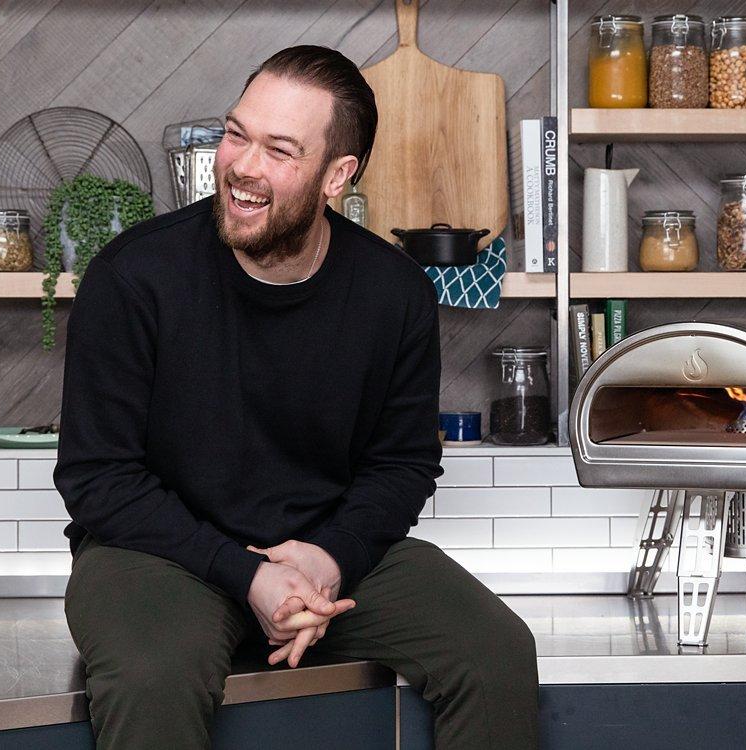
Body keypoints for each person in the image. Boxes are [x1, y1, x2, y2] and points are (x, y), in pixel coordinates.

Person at [57, 45, 539, 749]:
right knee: (154, 675)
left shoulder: (393, 293)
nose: (243, 167)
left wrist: (326, 558)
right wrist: (249, 576)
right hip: (153, 553)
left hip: (326, 552)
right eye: (236, 134)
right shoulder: (134, 277)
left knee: (495, 650)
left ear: (337, 175)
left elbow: (402, 465)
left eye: (279, 150)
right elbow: (99, 480)